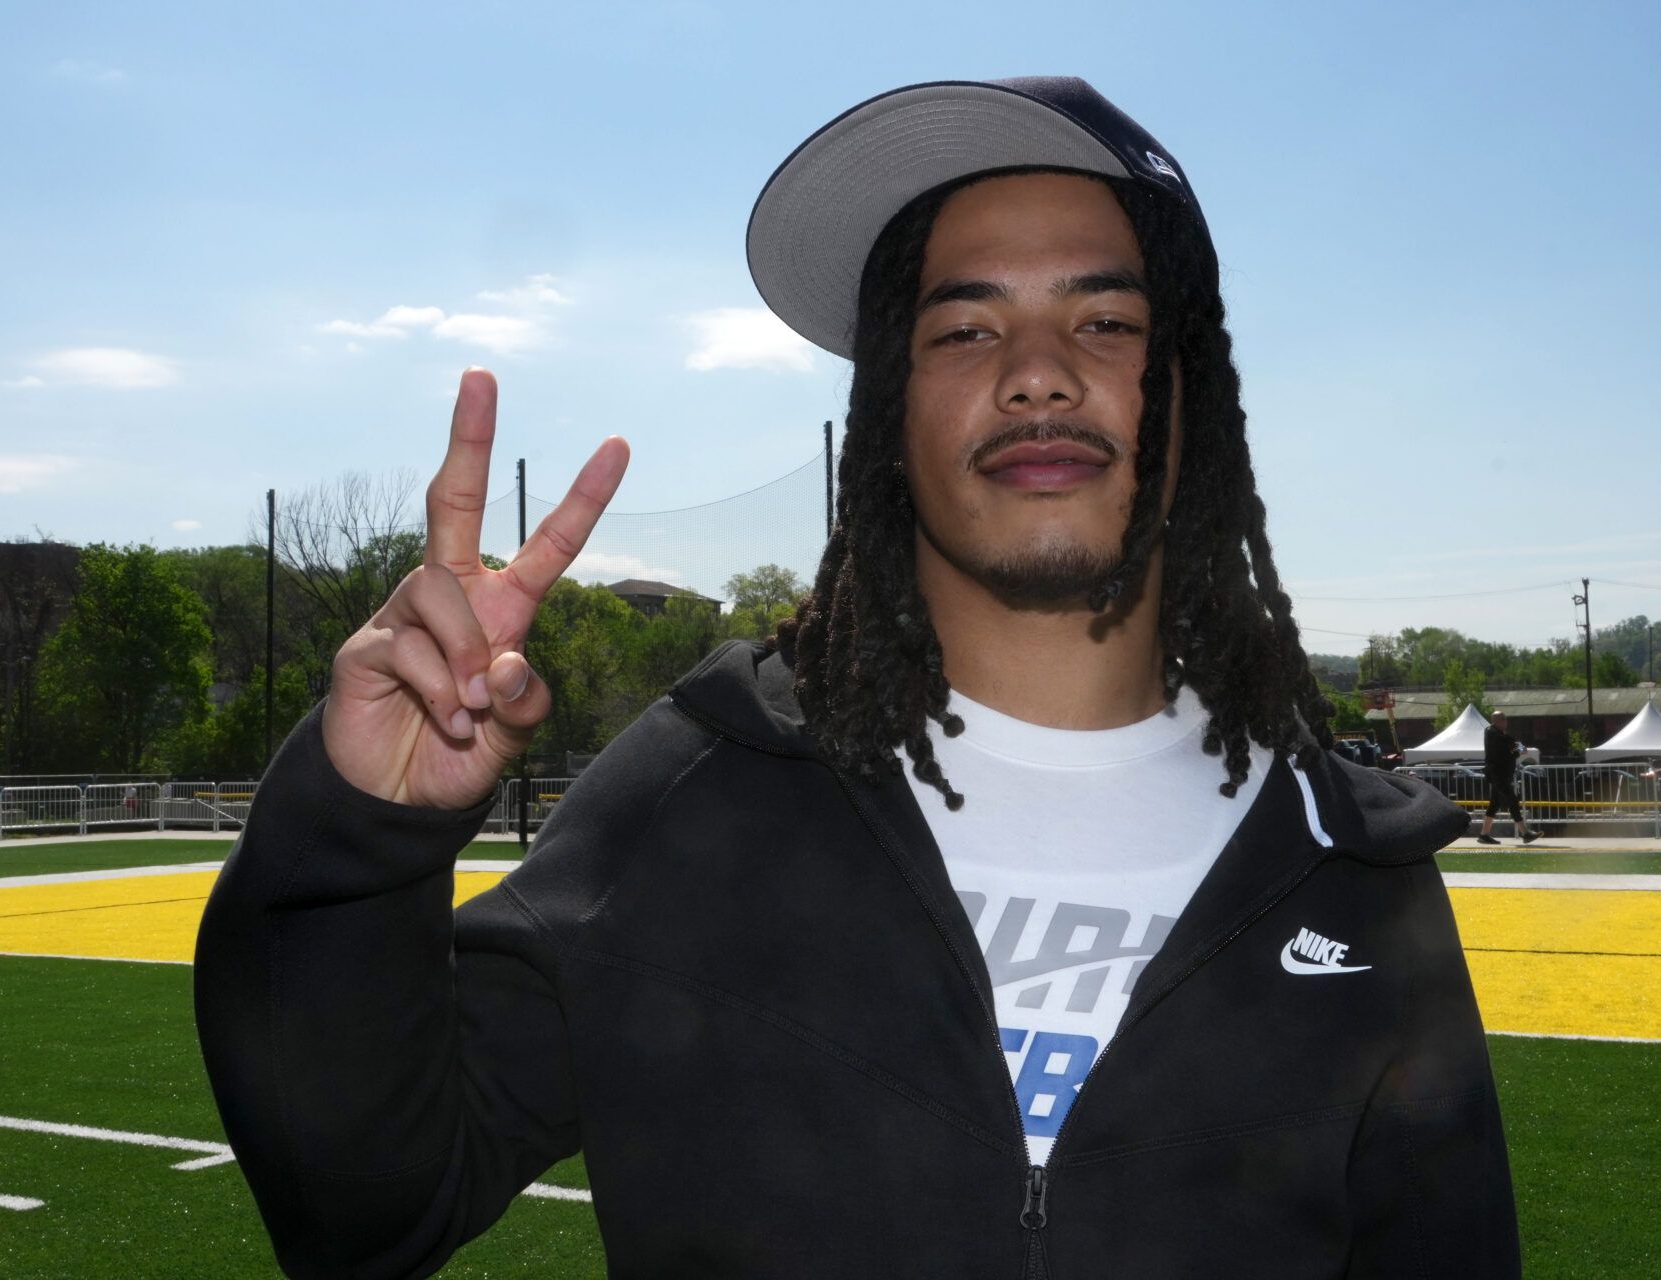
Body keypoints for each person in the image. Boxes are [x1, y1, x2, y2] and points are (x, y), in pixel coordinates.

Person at [195, 77, 1519, 1277]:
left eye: (1106, 320)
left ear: (1192, 395)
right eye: (965, 331)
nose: (1038, 375)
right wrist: (359, 836)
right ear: (887, 415)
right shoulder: (703, 789)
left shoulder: (1347, 863)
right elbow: (364, 1208)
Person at [1477, 710, 1540, 845]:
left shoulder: (1499, 734)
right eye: (1504, 719)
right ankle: (1525, 833)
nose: (1506, 722)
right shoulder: (1494, 734)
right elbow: (1515, 749)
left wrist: (1516, 748)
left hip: (1501, 775)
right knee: (1512, 801)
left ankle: (1484, 834)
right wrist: (1516, 750)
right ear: (1497, 721)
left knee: (1494, 804)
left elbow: (1518, 747)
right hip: (1498, 776)